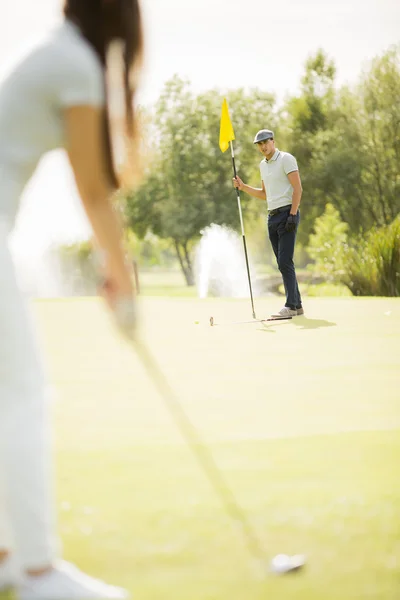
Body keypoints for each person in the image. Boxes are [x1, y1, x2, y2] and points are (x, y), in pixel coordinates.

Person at [0, 1, 143, 598]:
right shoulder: (76, 62)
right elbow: (92, 188)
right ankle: (37, 572)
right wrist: (123, 279)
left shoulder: (53, 51)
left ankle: (8, 554)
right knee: (23, 392)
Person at [233, 129, 304, 317]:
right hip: (272, 217)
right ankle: (297, 306)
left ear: (273, 141)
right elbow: (265, 194)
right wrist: (243, 187)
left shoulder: (286, 159)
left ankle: (290, 306)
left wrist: (292, 214)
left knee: (284, 261)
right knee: (283, 263)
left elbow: (298, 189)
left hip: (288, 213)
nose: (263, 146)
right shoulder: (263, 166)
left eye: (266, 142)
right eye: (260, 144)